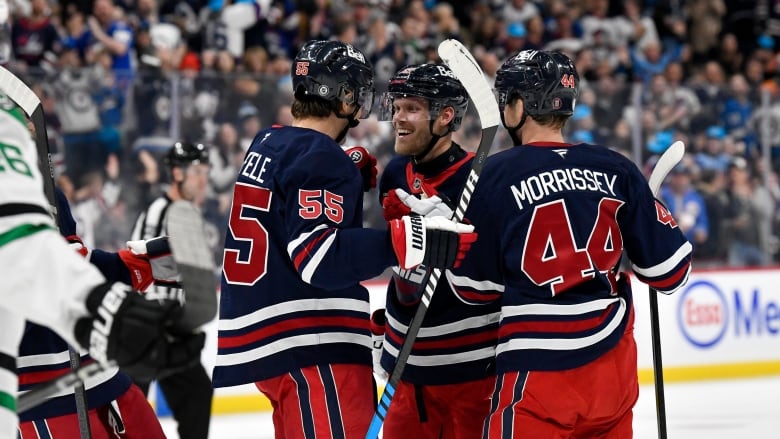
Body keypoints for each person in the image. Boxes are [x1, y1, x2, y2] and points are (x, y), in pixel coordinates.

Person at [212, 40, 477, 439]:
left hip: (271, 343)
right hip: (313, 343)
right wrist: (408, 236)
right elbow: (317, 258)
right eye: (359, 95)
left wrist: (346, 170)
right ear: (344, 96)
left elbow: (288, 198)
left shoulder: (268, 141)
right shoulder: (322, 157)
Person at [448, 50, 693, 437]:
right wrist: (652, 207)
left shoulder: (491, 174)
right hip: (613, 369)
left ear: (518, 106)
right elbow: (671, 273)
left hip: (539, 369)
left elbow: (471, 290)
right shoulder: (617, 167)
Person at [0, 92, 203, 438]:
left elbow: (66, 262)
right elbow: (29, 277)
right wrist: (107, 311)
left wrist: (143, 265)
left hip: (102, 377)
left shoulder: (47, 194)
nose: (30, 129)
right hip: (39, 394)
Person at [372, 63, 500, 438]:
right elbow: (401, 267)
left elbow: (493, 280)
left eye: (411, 108)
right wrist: (390, 327)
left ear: (445, 116)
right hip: (407, 371)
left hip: (471, 373)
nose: (398, 118)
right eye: (396, 108)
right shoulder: (395, 173)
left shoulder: (480, 180)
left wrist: (453, 247)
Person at [18, 187, 175, 439]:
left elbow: (87, 265)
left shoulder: (44, 190)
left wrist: (143, 264)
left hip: (109, 384)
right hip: (44, 401)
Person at [128, 141, 214, 439]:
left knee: (198, 393)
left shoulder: (186, 213)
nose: (203, 179)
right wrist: (160, 322)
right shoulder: (159, 212)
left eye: (205, 171)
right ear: (177, 173)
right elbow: (142, 268)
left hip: (168, 329)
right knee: (131, 407)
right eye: (197, 171)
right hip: (147, 330)